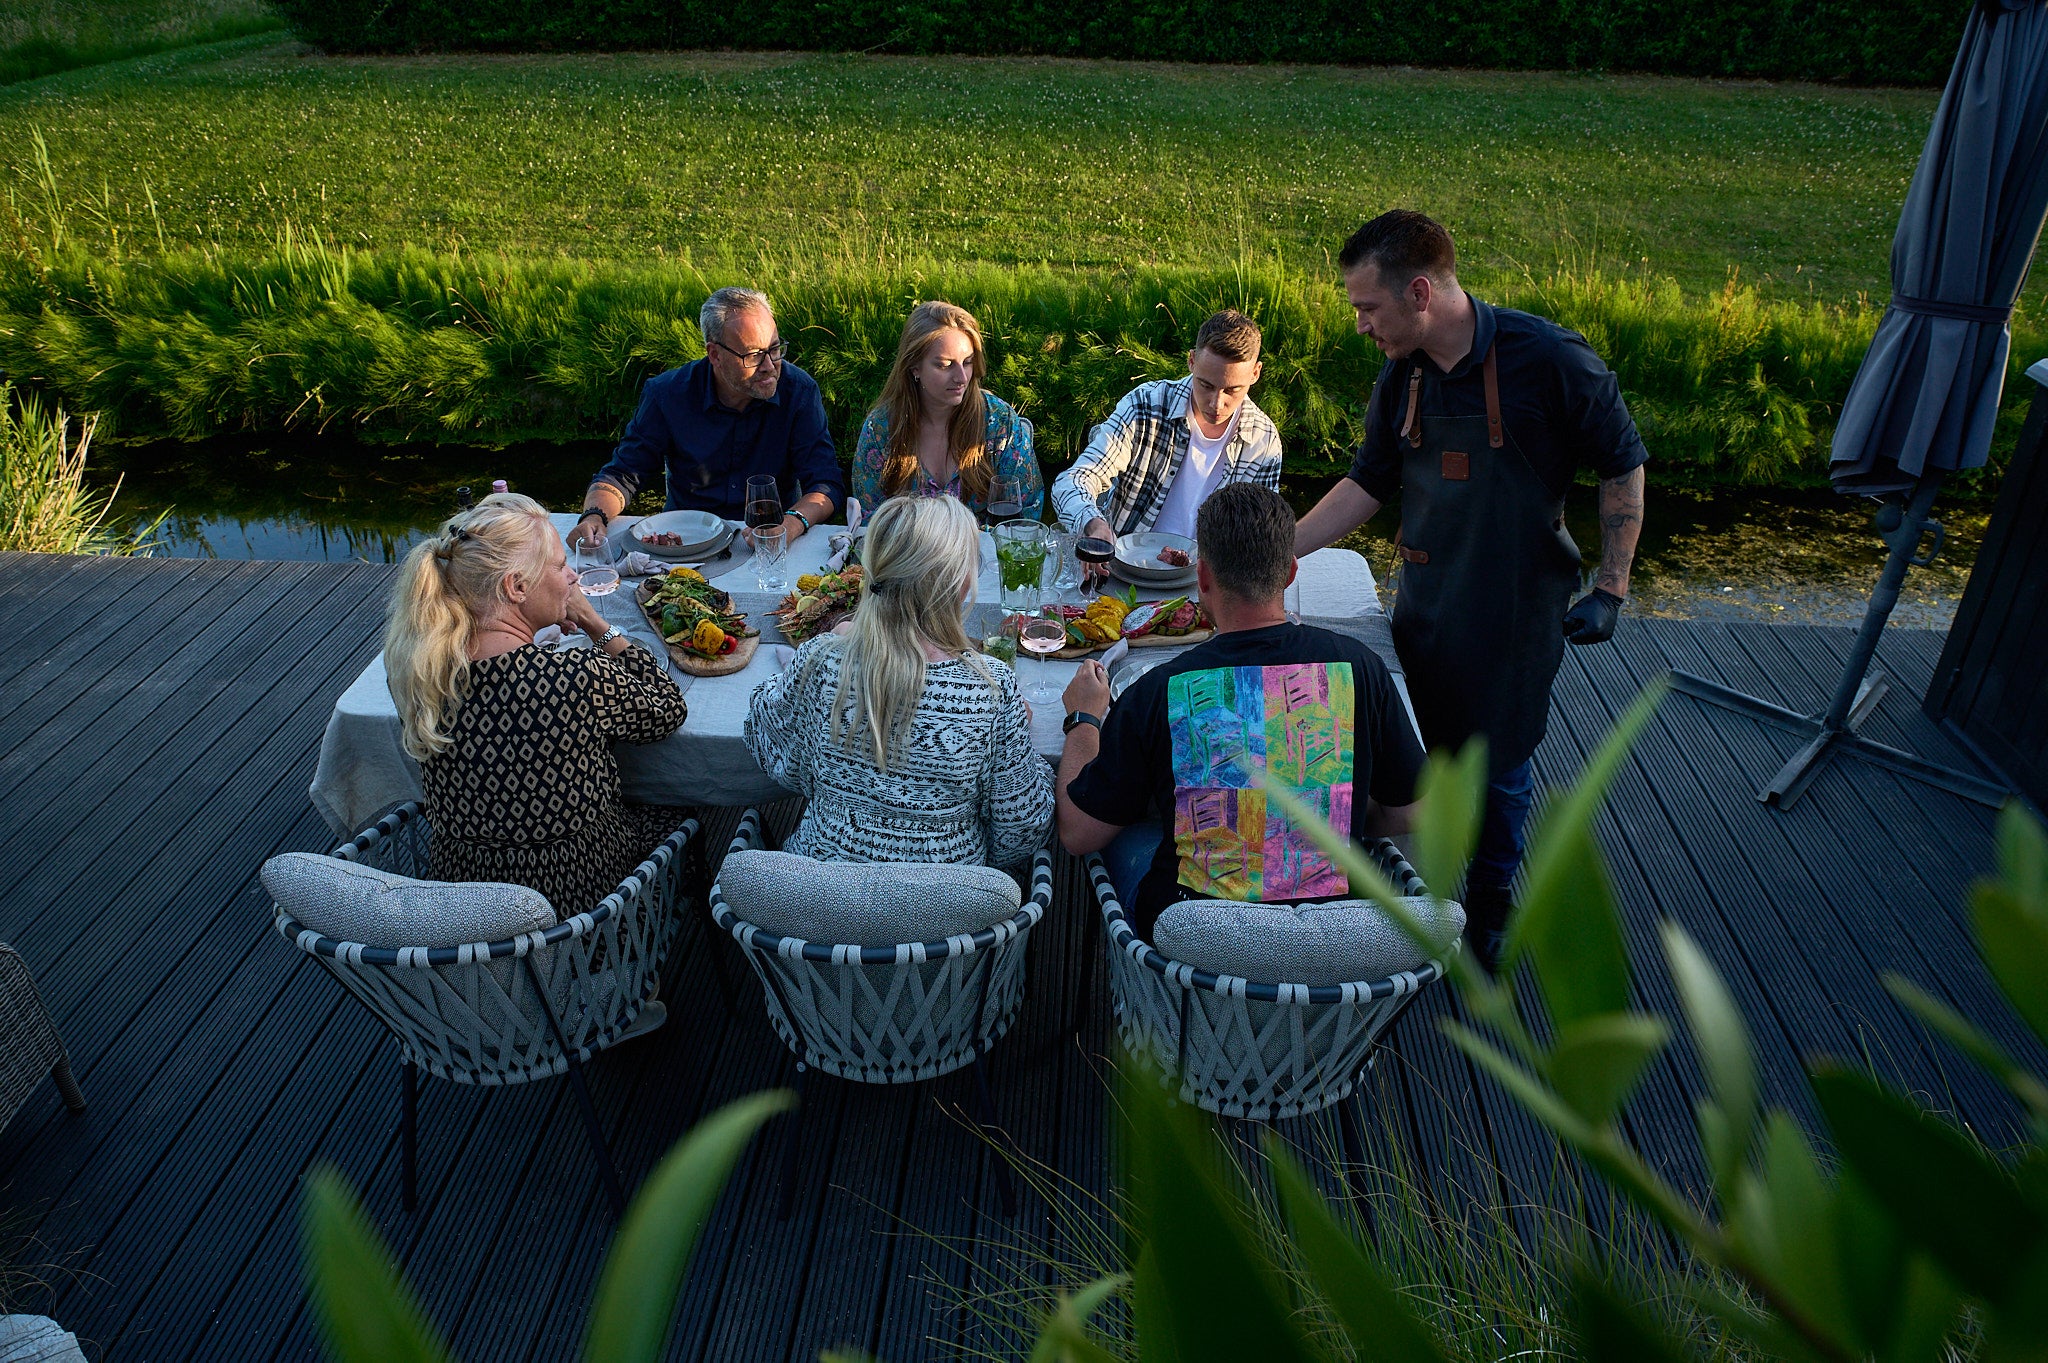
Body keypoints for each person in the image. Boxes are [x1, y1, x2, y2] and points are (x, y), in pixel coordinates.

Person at [1293, 210, 1649, 969]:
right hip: (1425, 602)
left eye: (1368, 307)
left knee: (1501, 765)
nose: (1360, 324)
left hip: (1517, 613)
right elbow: (1368, 483)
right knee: (1416, 751)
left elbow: (1623, 462)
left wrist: (1611, 587)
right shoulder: (1404, 374)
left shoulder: (1551, 359)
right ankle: (1404, 890)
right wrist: (1278, 550)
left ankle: (1490, 901)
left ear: (1420, 292)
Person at [1054, 483, 1424, 938]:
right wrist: (1322, 812)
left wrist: (1084, 719)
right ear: (1290, 573)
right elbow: (1415, 811)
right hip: (1335, 939)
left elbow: (1077, 834)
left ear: (1202, 577)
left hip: (1195, 945)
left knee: (1130, 827)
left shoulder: (1156, 691)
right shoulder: (1362, 668)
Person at [385, 492, 690, 919]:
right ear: (516, 587)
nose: (572, 577)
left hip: (465, 914)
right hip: (585, 919)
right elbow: (667, 708)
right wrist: (596, 624)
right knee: (683, 811)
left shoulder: (419, 672)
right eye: (560, 566)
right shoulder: (576, 675)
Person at [745, 495, 1053, 873]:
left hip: (816, 897)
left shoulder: (821, 661)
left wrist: (826, 653)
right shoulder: (990, 689)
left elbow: (769, 743)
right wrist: (1019, 744)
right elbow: (1022, 828)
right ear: (959, 584)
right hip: (947, 901)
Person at [569, 286, 844, 551]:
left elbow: (826, 483)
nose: (769, 366)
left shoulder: (799, 392)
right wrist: (593, 516)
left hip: (766, 539)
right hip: (683, 544)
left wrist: (792, 523)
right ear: (715, 354)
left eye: (774, 349)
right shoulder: (667, 394)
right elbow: (621, 474)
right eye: (753, 356)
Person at [1050, 309, 1283, 556]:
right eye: (1206, 385)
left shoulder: (1264, 441)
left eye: (1232, 390)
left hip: (1209, 574)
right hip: (1124, 566)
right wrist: (1094, 525)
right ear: (1191, 361)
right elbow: (1072, 482)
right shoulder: (1144, 405)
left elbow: (1261, 534)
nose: (1217, 403)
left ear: (1255, 373)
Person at [850, 300, 1042, 520]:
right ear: (914, 367)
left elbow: (1027, 513)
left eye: (968, 362)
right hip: (906, 545)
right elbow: (870, 519)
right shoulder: (881, 429)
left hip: (988, 544)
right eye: (945, 365)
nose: (961, 378)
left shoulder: (999, 422)